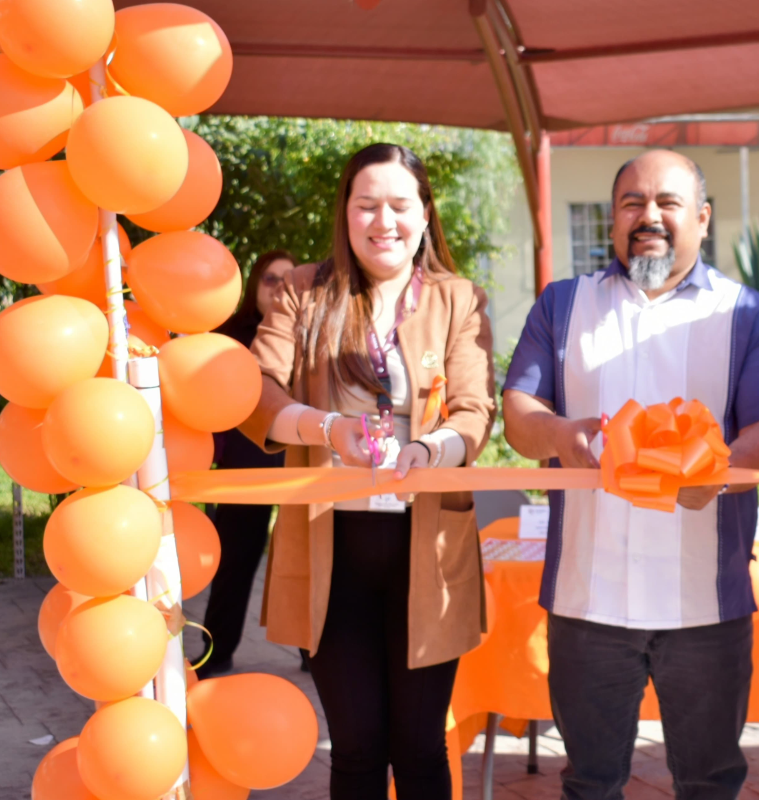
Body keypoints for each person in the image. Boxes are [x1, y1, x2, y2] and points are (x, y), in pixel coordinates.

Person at [502, 149, 759, 800]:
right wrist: (560, 433)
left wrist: (717, 476)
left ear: (701, 217)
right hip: (587, 601)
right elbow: (519, 414)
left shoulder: (749, 314)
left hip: (706, 604)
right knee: (590, 783)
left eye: (667, 202)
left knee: (709, 783)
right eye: (632, 203)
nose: (649, 216)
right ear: (612, 221)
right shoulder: (563, 305)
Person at [238, 144, 496, 799]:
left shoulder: (457, 298)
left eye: (400, 205)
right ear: (346, 214)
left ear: (424, 213)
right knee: (355, 750)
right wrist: (328, 429)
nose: (384, 221)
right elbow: (254, 394)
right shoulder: (302, 291)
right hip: (331, 551)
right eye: (367, 205)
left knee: (418, 748)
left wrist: (430, 450)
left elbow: (473, 411)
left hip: (429, 551)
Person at [196, 250, 299, 679]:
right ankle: (214, 653)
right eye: (271, 279)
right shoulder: (229, 337)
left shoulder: (312, 335)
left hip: (300, 467)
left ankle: (317, 653)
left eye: (289, 281)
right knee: (234, 565)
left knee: (304, 563)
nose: (279, 288)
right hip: (243, 467)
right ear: (255, 284)